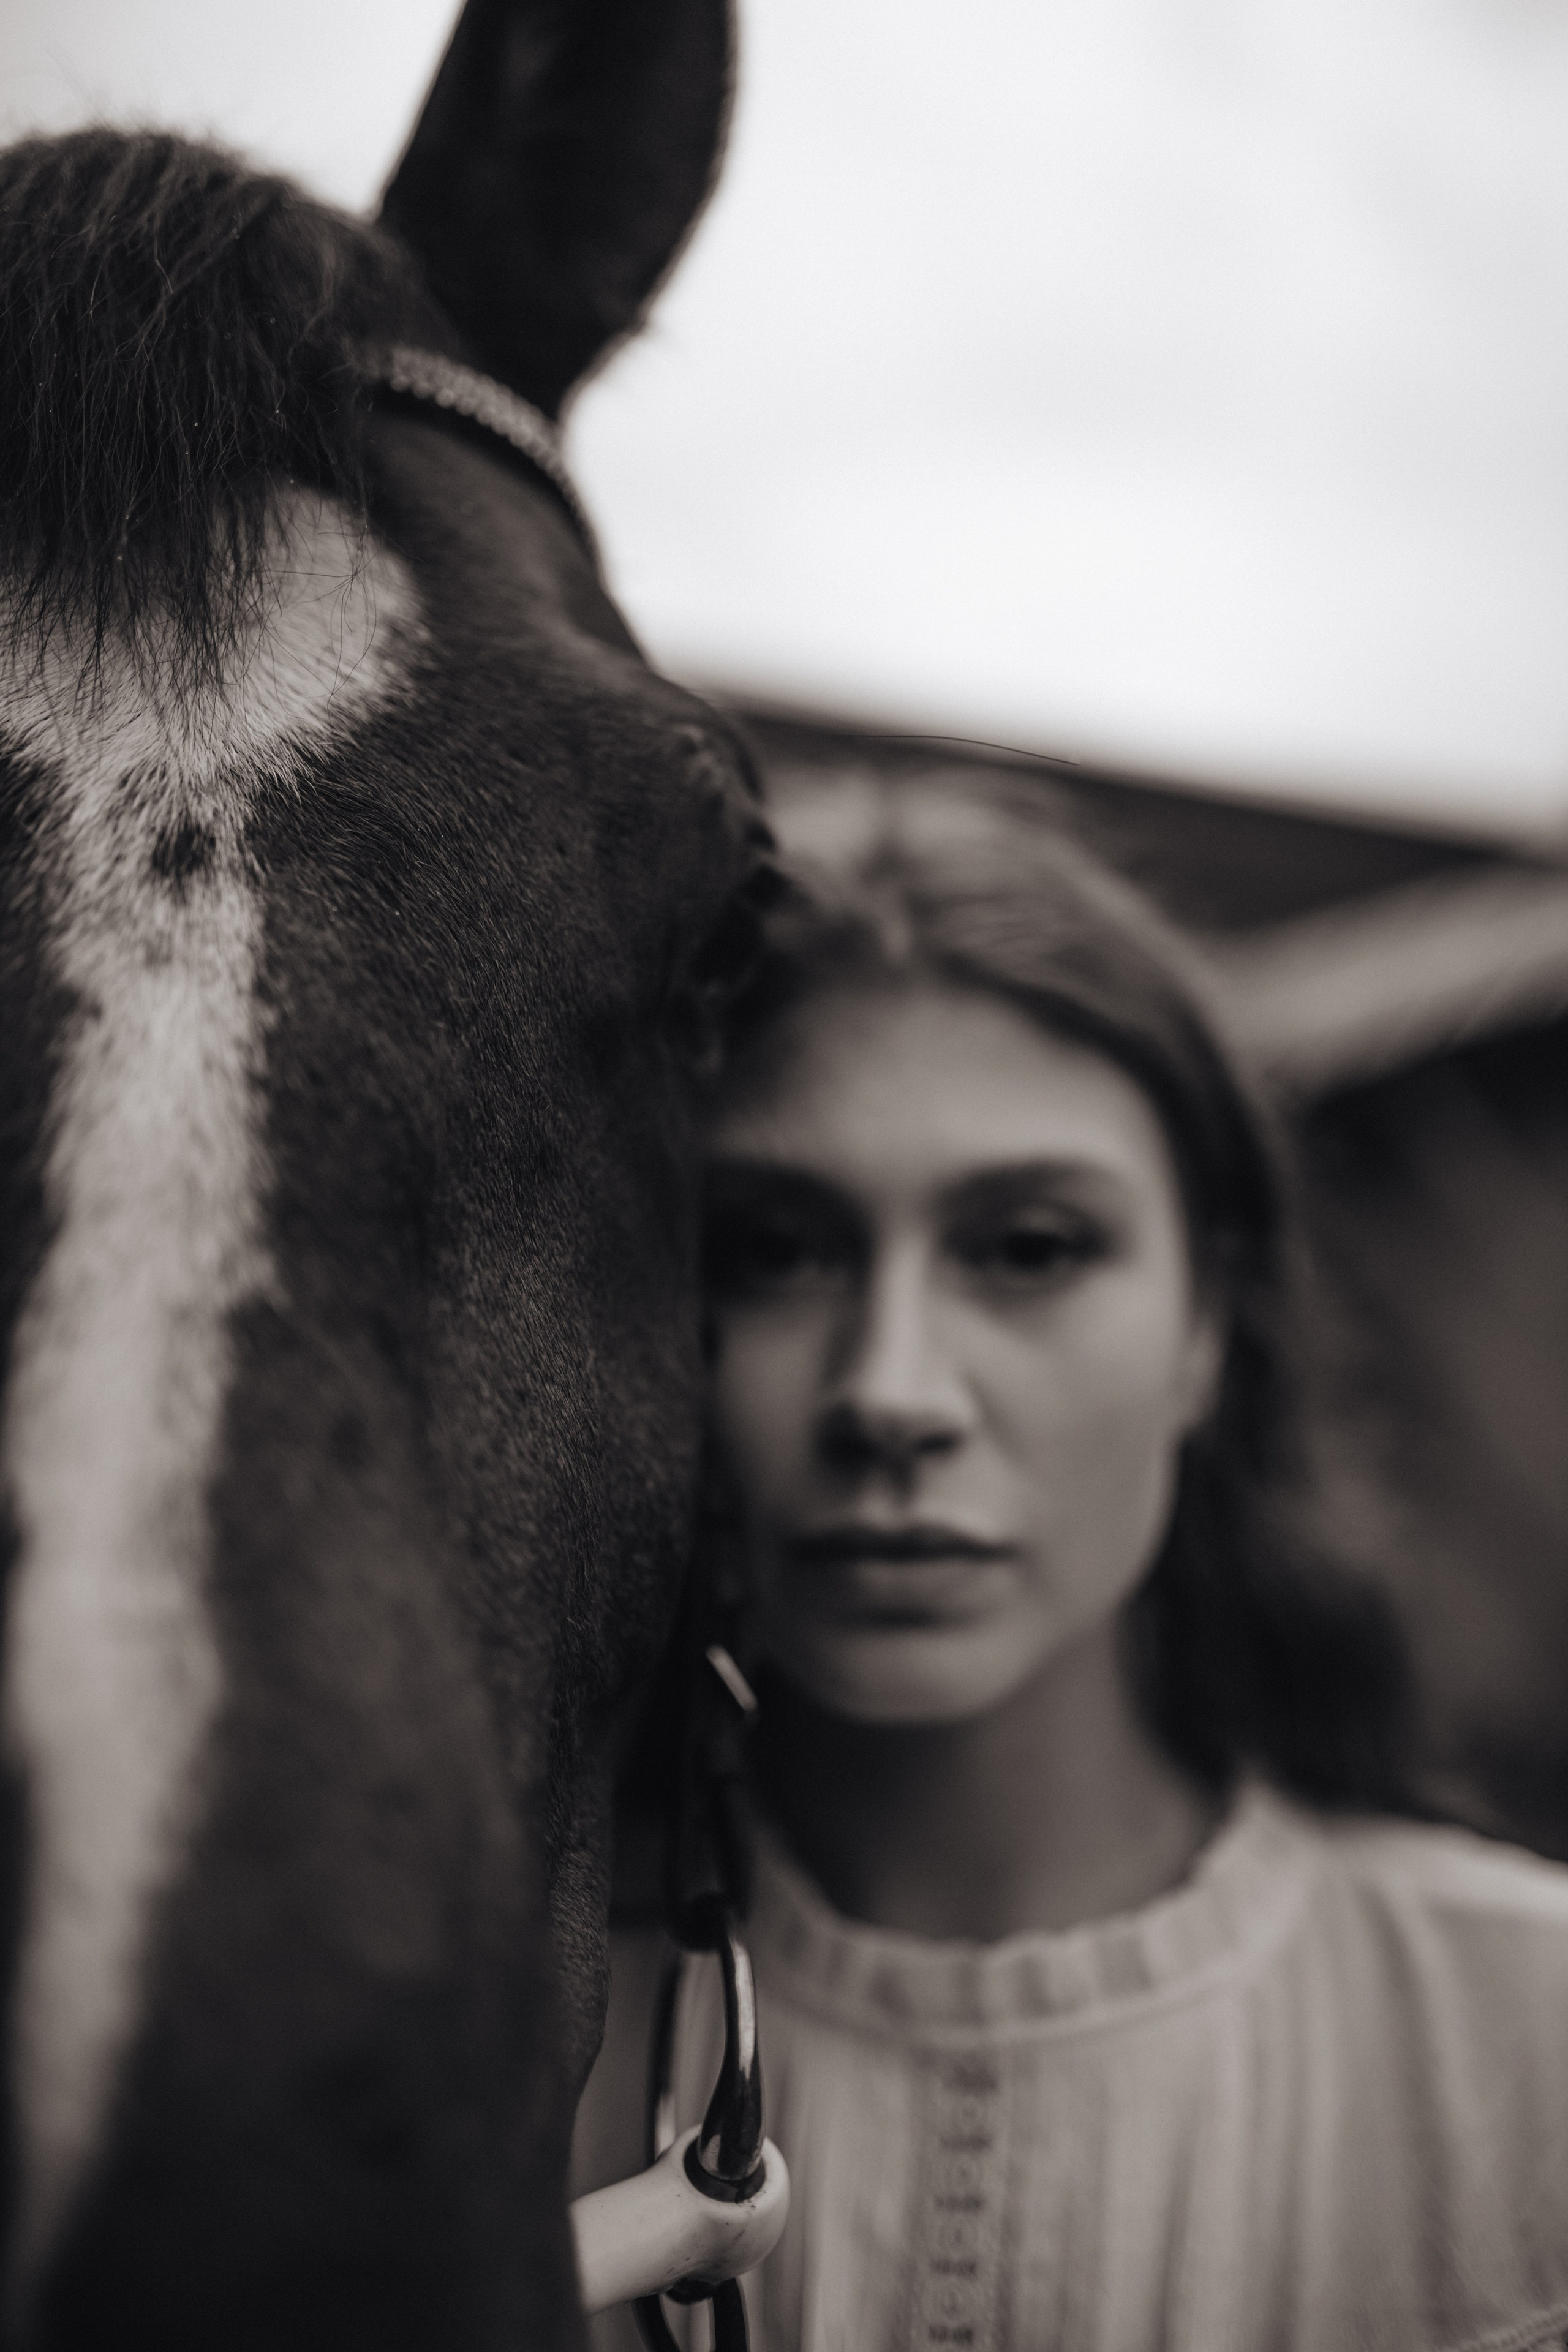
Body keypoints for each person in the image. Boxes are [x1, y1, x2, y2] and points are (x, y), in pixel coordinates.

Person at [573, 766, 1568, 2352]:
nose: (891, 1391)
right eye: (774, 1250)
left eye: (1030, 1248)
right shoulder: (487, 2057)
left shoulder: (1528, 2047)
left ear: (1208, 1335)